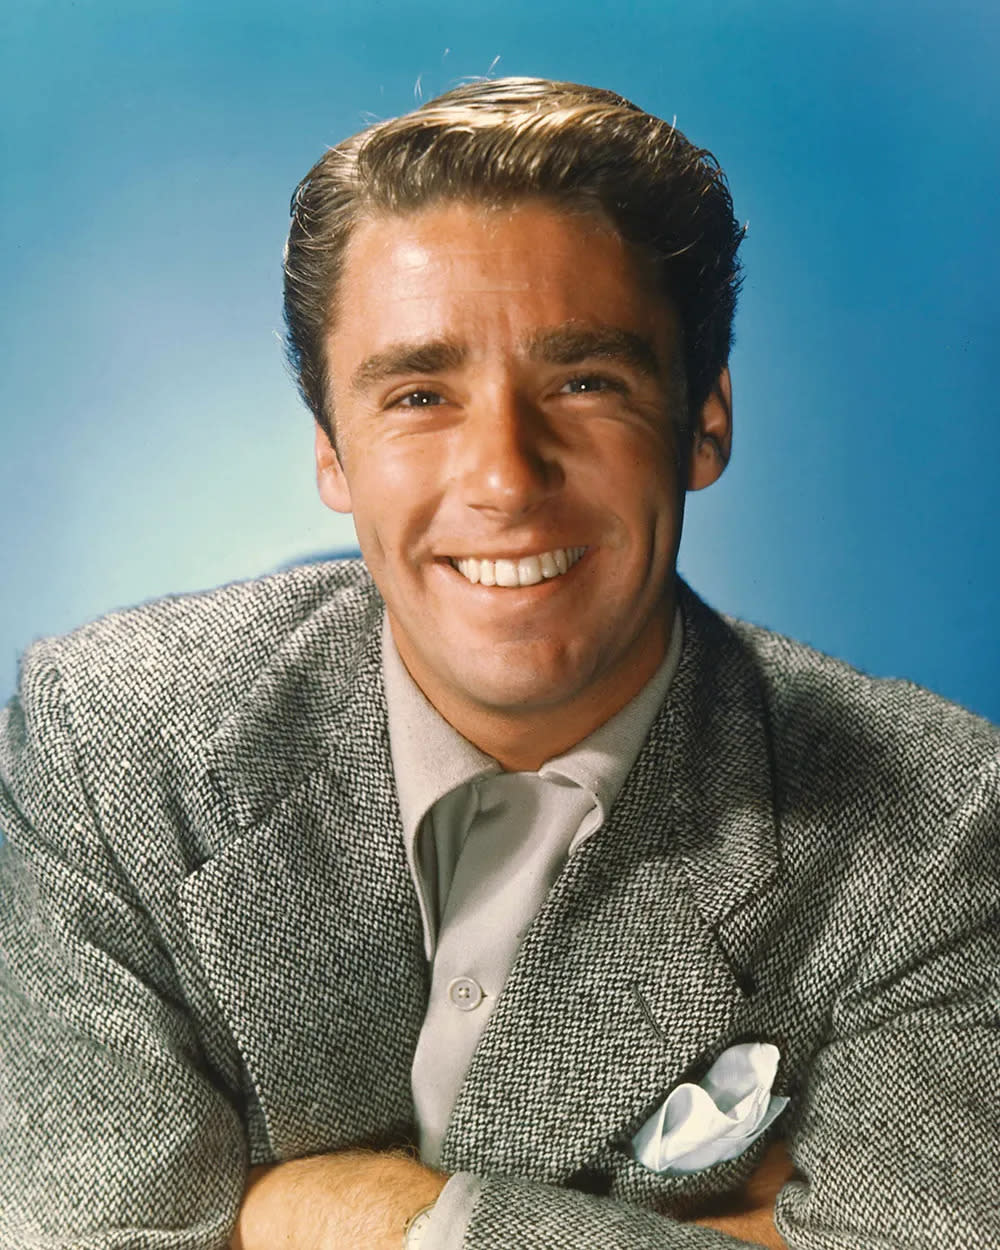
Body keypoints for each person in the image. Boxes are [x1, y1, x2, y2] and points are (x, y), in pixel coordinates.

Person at [0, 77, 997, 1250]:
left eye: (585, 383)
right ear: (333, 451)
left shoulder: (938, 821)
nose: (505, 480)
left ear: (703, 420)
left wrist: (359, 1215)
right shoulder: (107, 741)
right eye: (419, 394)